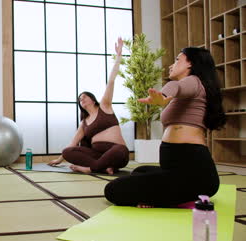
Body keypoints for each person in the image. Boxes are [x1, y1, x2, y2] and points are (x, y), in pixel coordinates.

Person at [104, 47, 226, 208]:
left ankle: (178, 199)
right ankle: (177, 197)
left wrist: (162, 96)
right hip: (177, 168)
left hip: (193, 170)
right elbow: (177, 88)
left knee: (112, 190)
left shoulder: (194, 81)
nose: (171, 65)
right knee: (140, 171)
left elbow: (176, 86)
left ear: (190, 64)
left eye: (177, 60)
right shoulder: (187, 91)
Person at [48, 37, 129, 175]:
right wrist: (60, 159)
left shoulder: (105, 106)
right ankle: (104, 167)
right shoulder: (84, 123)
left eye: (84, 96)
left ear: (92, 99)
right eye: (80, 99)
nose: (82, 99)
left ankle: (91, 169)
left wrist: (118, 57)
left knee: (120, 150)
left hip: (116, 151)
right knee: (68, 152)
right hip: (96, 154)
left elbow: (111, 81)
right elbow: (73, 143)